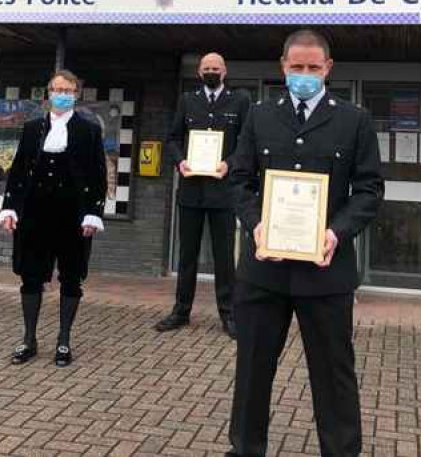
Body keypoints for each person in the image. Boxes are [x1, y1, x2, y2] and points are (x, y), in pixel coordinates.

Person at [226, 29, 383, 457]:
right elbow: (240, 181)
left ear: (328, 69)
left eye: (314, 68)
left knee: (334, 375)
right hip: (264, 271)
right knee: (252, 371)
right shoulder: (259, 116)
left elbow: (369, 191)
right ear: (283, 66)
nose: (305, 75)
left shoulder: (355, 120)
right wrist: (256, 224)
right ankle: (244, 450)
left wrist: (336, 232)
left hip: (326, 273)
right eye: (297, 67)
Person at [0, 70, 107, 367]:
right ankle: (29, 338)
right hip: (34, 212)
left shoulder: (89, 129)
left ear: (76, 94)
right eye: (57, 89)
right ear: (48, 93)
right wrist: (10, 207)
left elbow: (98, 174)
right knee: (30, 275)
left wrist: (93, 212)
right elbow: (18, 170)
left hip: (72, 213)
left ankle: (63, 340)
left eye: (68, 90)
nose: (62, 94)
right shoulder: (32, 127)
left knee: (71, 276)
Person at [155, 52, 251, 338]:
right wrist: (180, 161)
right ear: (199, 72)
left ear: (224, 71)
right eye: (206, 68)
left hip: (223, 192)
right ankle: (181, 311)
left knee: (223, 257)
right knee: (187, 256)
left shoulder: (240, 100)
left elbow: (247, 142)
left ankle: (229, 315)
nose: (211, 71)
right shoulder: (188, 100)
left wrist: (230, 164)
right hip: (191, 192)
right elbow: (173, 138)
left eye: (216, 68)